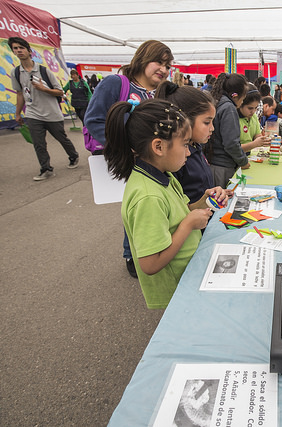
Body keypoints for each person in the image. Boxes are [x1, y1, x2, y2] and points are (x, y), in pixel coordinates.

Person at [104, 98, 212, 309]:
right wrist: (189, 224)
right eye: (185, 145)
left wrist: (202, 202)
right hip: (176, 289)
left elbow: (179, 215)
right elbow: (150, 263)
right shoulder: (148, 197)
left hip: (188, 276)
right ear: (159, 146)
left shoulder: (164, 176)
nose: (189, 152)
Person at [86, 39, 173, 277]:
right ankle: (131, 254)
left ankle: (149, 249)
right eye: (159, 62)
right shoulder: (115, 83)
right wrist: (126, 148)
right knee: (133, 207)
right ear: (143, 58)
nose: (164, 70)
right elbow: (93, 120)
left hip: (149, 162)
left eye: (168, 65)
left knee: (145, 208)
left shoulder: (157, 92)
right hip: (126, 161)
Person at [8, 37, 80, 181]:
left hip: (52, 113)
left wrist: (43, 88)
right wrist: (17, 114)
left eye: (21, 48)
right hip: (33, 113)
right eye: (15, 48)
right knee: (39, 144)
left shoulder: (44, 71)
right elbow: (20, 94)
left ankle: (73, 156)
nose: (18, 51)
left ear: (29, 51)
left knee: (62, 138)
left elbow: (60, 92)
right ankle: (46, 168)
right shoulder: (16, 73)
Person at [155, 81, 230, 210]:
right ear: (185, 120)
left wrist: (214, 195)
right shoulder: (175, 159)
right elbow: (178, 211)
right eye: (207, 122)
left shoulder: (196, 146)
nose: (212, 128)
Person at [207, 73, 250, 188]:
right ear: (235, 95)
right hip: (223, 167)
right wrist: (243, 161)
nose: (242, 102)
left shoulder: (218, 101)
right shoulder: (228, 108)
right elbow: (231, 143)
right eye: (243, 97)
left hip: (214, 163)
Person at [238, 85, 271, 153]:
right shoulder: (234, 119)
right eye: (250, 108)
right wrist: (254, 144)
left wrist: (263, 140)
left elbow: (257, 135)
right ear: (240, 104)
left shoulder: (254, 117)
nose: (253, 111)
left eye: (255, 108)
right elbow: (234, 148)